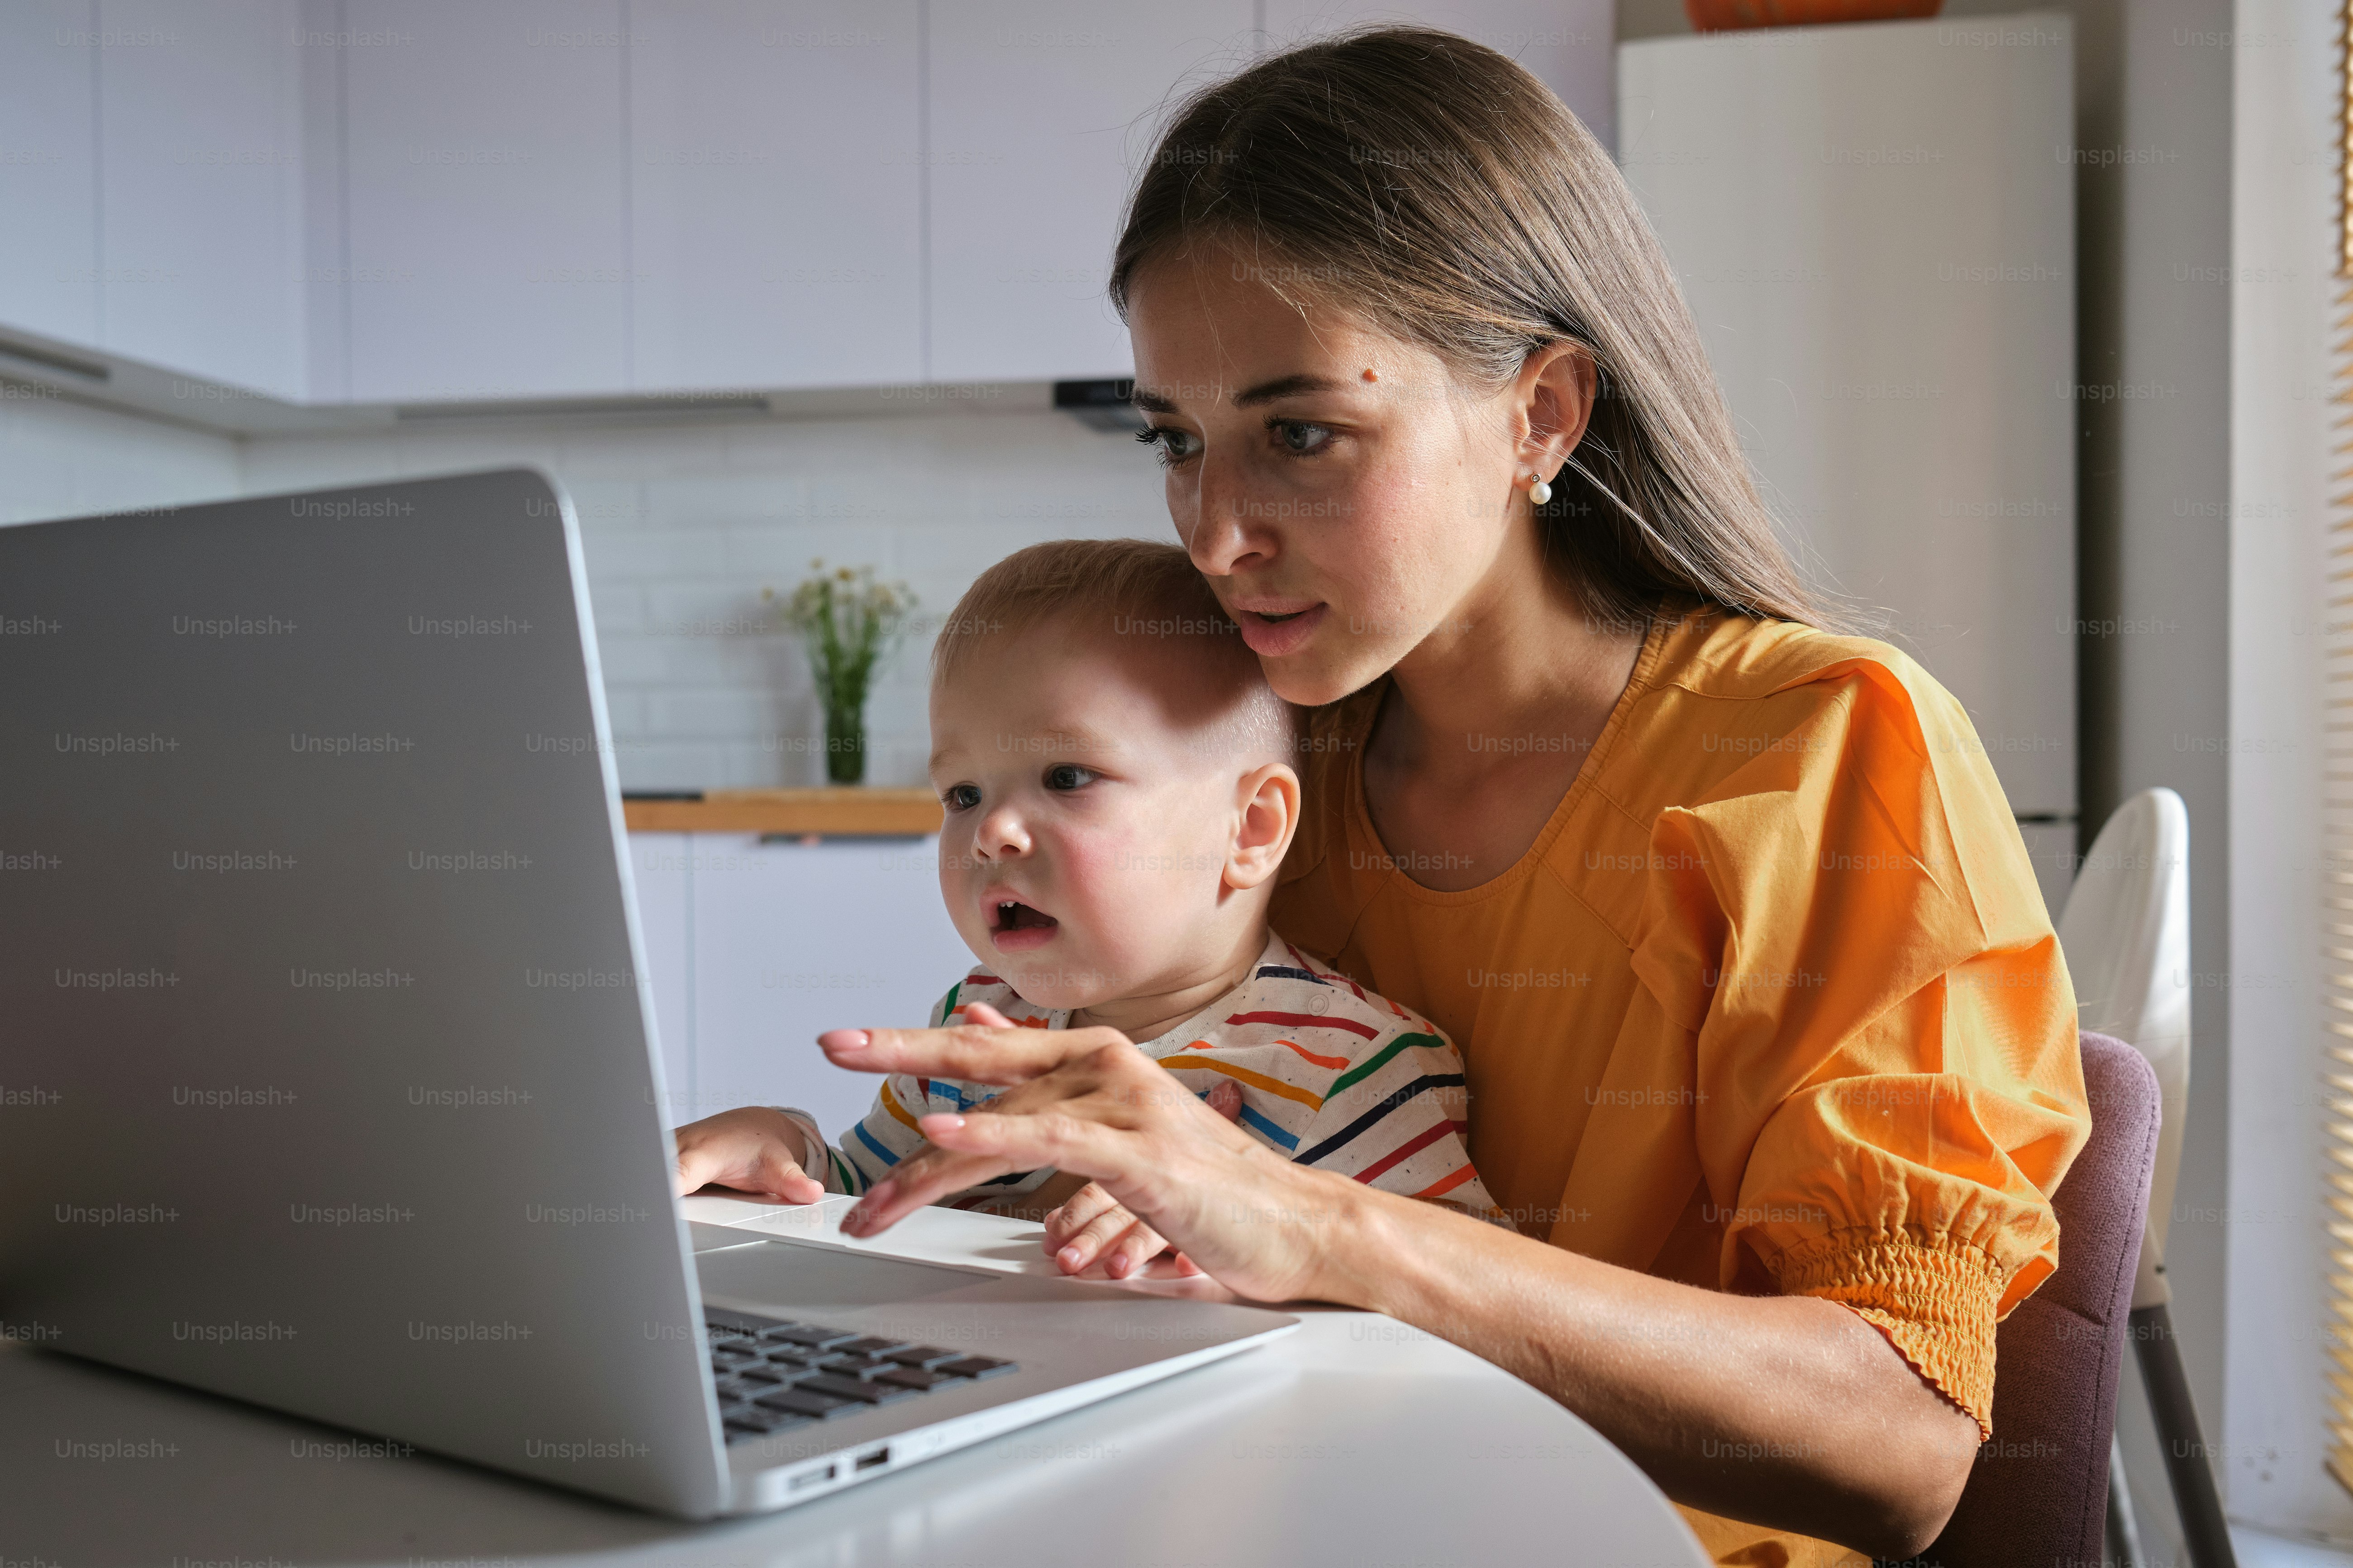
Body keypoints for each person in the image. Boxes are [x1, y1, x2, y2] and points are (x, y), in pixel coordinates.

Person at [714, 27, 2094, 1567]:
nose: (1217, 531)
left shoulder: (1820, 748)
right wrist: (813, 1174)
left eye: (1300, 433)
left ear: (1542, 416)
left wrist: (1317, 1228)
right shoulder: (1242, 770)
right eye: (1177, 440)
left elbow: (1901, 1446)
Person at [673, 538, 1500, 1283]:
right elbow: (866, 1196)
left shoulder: (1348, 1065)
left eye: (1066, 777)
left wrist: (1227, 1233)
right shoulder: (976, 1029)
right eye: (962, 792)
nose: (990, 832)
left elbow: (1458, 1295)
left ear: (1249, 827)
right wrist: (785, 1150)